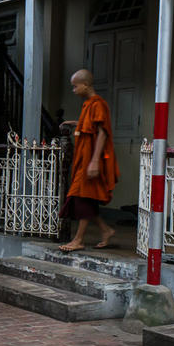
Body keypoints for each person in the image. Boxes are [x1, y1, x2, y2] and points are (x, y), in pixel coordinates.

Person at [58, 69, 119, 252]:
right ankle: (106, 230)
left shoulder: (98, 104)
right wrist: (75, 123)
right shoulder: (88, 105)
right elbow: (90, 126)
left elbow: (102, 133)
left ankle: (78, 240)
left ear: (85, 85)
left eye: (75, 86)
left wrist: (94, 161)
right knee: (85, 198)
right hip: (84, 159)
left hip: (91, 160)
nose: (73, 90)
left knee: (81, 197)